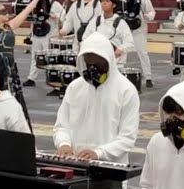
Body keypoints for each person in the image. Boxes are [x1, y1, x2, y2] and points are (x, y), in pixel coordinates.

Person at [53, 33, 140, 172]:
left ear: (109, 61)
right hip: (76, 167)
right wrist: (64, 144)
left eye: (99, 65)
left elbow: (127, 138)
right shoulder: (75, 88)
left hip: (110, 170)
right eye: (89, 64)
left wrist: (99, 153)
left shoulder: (126, 90)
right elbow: (62, 126)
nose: (93, 70)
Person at [23, 0, 65, 88]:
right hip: (37, 32)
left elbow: (63, 16)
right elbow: (33, 19)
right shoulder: (35, 3)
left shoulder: (55, 4)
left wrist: (54, 16)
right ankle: (31, 78)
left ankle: (54, 80)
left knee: (50, 57)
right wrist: (31, 34)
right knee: (34, 57)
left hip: (49, 33)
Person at [124, 0, 157, 89]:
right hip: (125, 28)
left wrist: (147, 16)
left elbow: (152, 13)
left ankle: (148, 77)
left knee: (142, 53)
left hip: (139, 28)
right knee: (121, 52)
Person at [92, 0, 134, 68]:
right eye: (102, 1)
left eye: (107, 1)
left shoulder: (121, 23)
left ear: (114, 5)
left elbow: (130, 43)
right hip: (98, 63)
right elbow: (85, 38)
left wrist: (121, 49)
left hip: (117, 64)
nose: (104, 3)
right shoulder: (95, 21)